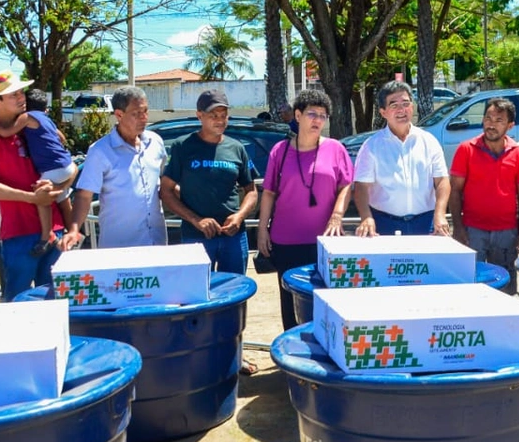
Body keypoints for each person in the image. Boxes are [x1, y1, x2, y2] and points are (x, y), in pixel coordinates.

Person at [257, 89, 353, 330]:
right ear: (297, 115)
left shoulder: (335, 149)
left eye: (323, 115)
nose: (318, 120)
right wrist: (261, 230)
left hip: (325, 241)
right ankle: (292, 359)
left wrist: (337, 216)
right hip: (286, 242)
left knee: (327, 301)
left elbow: (346, 185)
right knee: (290, 305)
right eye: (312, 114)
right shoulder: (280, 151)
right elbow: (268, 193)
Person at [0, 70, 63, 300]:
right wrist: (32, 198)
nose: (21, 97)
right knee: (17, 301)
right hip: (18, 231)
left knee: (58, 302)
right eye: (13, 94)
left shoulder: (32, 125)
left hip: (56, 228)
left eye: (21, 92)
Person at [161, 89, 257, 273]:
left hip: (234, 237)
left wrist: (239, 216)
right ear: (199, 115)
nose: (220, 120)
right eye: (213, 115)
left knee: (235, 292)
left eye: (224, 115)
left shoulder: (237, 148)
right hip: (195, 237)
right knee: (196, 293)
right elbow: (166, 191)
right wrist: (197, 220)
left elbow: (251, 190)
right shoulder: (183, 146)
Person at [61, 86, 167, 251]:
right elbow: (84, 195)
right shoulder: (100, 151)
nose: (144, 118)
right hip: (118, 247)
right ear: (119, 115)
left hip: (156, 243)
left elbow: (164, 185)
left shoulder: (156, 143)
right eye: (136, 114)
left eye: (145, 111)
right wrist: (74, 230)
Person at [449, 97, 519, 294]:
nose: (491, 124)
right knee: (470, 287)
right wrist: (458, 227)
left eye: (498, 120)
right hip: (472, 231)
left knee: (505, 289)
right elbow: (455, 192)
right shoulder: (466, 149)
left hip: (507, 232)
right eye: (488, 118)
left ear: (510, 125)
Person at [353, 81, 451, 237]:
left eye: (405, 104)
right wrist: (366, 217)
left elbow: (442, 181)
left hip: (426, 222)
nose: (401, 110)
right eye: (394, 105)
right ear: (383, 112)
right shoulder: (371, 146)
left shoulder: (429, 141)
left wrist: (440, 214)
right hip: (384, 223)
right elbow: (361, 187)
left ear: (412, 107)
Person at [0, 88, 77, 254]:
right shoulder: (46, 119)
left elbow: (5, 132)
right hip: (65, 164)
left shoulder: (26, 117)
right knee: (62, 197)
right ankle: (74, 232)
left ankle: (46, 236)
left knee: (41, 196)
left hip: (52, 167)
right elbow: (61, 137)